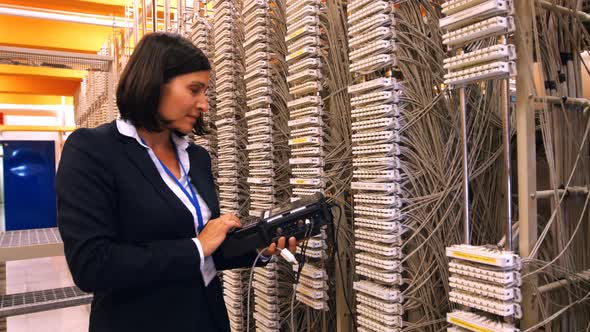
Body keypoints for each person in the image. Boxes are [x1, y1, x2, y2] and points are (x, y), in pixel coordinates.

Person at [55, 32, 296, 332]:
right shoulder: (92, 150)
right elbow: (91, 265)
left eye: (205, 91)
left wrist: (259, 245)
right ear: (154, 84)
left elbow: (206, 250)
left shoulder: (195, 157)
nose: (204, 104)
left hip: (206, 318)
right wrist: (196, 247)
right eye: (194, 89)